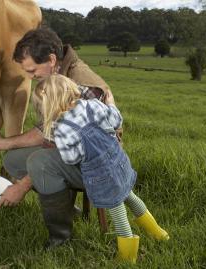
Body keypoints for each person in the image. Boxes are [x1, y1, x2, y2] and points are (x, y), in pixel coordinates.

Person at [0, 28, 121, 216]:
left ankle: (61, 232)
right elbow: (48, 130)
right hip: (77, 152)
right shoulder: (58, 79)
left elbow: (67, 146)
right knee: (13, 160)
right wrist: (5, 143)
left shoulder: (81, 86)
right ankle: (67, 207)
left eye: (32, 71)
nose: (30, 77)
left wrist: (22, 186)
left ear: (52, 60)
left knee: (39, 161)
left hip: (99, 165)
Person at [37, 74, 169, 263]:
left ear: (48, 104)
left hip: (101, 174)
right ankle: (158, 233)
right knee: (130, 196)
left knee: (118, 212)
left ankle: (127, 257)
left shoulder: (63, 129)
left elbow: (70, 158)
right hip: (119, 161)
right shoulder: (92, 105)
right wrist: (112, 104)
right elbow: (116, 121)